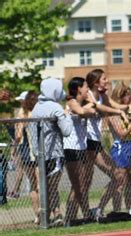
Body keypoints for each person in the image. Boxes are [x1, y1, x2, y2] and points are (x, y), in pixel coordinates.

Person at [85, 69, 129, 220]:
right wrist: (118, 112)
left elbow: (116, 105)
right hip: (86, 142)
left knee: (118, 175)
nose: (107, 80)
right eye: (104, 79)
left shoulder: (102, 95)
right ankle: (72, 217)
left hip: (96, 141)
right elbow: (99, 108)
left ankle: (97, 209)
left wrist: (129, 108)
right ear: (96, 82)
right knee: (82, 183)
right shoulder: (88, 95)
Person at [31, 77, 73, 225]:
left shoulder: (37, 107)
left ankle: (55, 215)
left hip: (39, 155)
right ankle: (48, 216)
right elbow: (67, 131)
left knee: (46, 187)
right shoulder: (56, 108)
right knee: (51, 187)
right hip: (54, 154)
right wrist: (67, 115)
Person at [64, 77, 96, 225]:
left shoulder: (82, 103)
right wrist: (92, 105)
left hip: (81, 148)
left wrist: (91, 104)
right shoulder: (71, 102)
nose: (87, 90)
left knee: (82, 185)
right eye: (85, 87)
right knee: (77, 185)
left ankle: (83, 215)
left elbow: (89, 109)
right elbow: (82, 112)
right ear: (78, 89)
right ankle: (70, 218)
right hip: (71, 148)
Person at [108, 81, 131, 219]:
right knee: (120, 181)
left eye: (130, 94)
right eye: (127, 95)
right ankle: (116, 210)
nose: (130, 98)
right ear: (120, 97)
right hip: (121, 147)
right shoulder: (113, 112)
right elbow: (121, 134)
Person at [14, 91, 39, 223]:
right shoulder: (37, 112)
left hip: (27, 151)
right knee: (39, 183)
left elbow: (18, 136)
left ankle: (38, 215)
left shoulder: (21, 114)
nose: (20, 103)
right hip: (37, 150)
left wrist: (14, 146)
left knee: (34, 185)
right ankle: (43, 212)